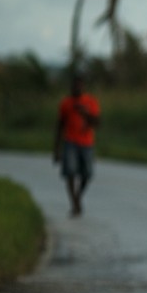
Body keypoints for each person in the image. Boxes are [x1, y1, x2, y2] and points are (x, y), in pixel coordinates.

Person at [53, 74, 100, 216]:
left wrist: (86, 114)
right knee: (70, 172)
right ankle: (74, 203)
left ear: (83, 86)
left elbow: (97, 123)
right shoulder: (66, 103)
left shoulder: (91, 102)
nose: (77, 88)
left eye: (79, 85)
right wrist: (56, 149)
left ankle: (78, 197)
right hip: (70, 142)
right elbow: (60, 126)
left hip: (87, 143)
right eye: (74, 85)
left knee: (87, 174)